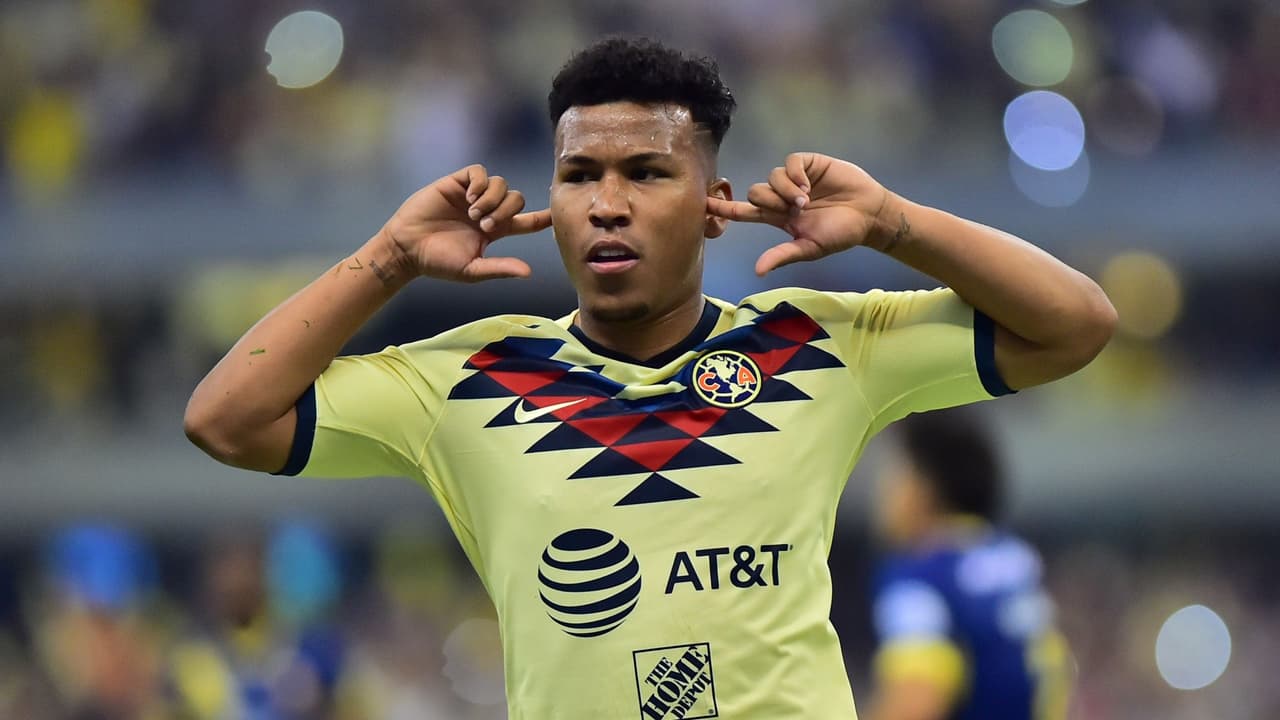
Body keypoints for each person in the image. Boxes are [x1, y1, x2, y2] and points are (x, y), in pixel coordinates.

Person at [184, 36, 1115, 719]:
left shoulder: (818, 344)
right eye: (579, 175)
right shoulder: (470, 377)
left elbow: (1077, 323)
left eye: (646, 172)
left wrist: (892, 223)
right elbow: (225, 420)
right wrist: (389, 260)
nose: (608, 204)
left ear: (715, 206)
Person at [866, 408, 1072, 720]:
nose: (882, 490)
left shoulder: (920, 575)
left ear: (923, 486)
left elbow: (917, 699)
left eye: (895, 473)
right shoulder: (1016, 559)